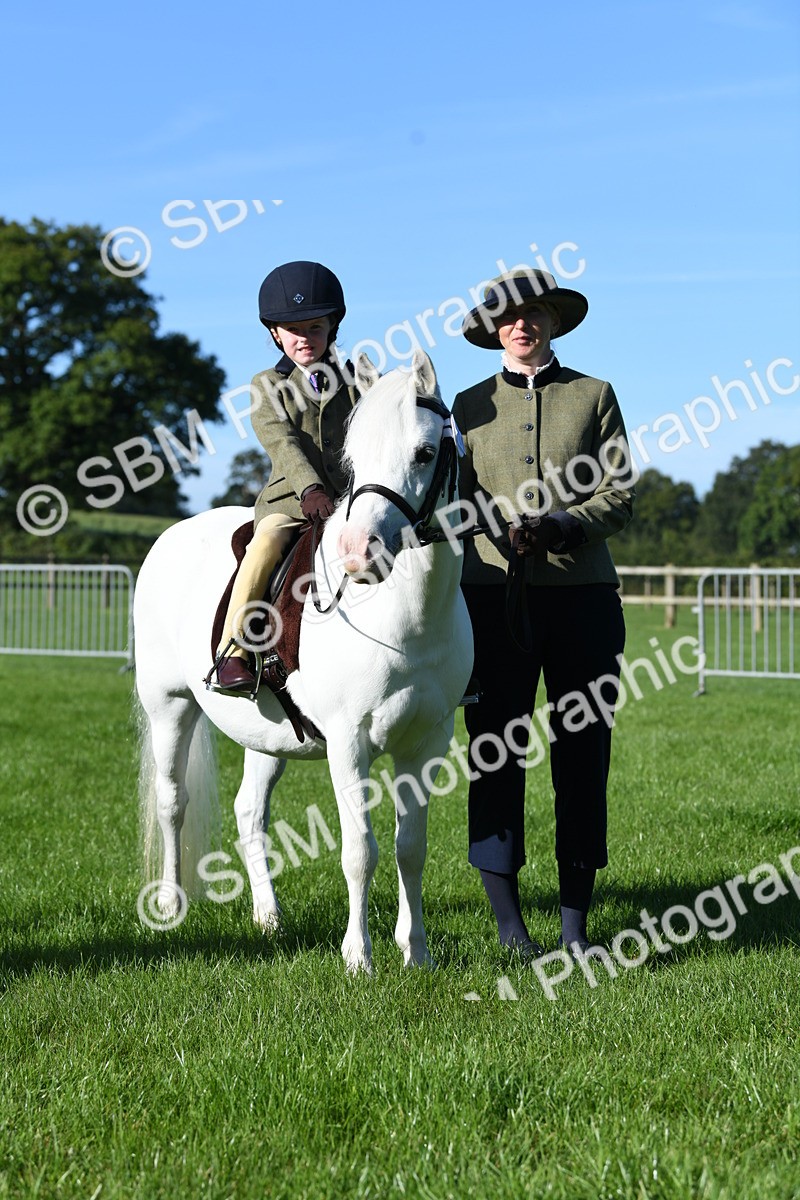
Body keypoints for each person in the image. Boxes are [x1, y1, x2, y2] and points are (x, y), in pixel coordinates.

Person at [452, 267, 635, 957]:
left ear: (553, 321)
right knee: (495, 753)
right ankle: (510, 926)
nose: (521, 325)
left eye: (533, 314)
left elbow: (619, 492)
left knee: (583, 756)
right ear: (494, 330)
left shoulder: (595, 395)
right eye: (507, 316)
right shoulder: (467, 405)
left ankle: (575, 926)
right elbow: (454, 495)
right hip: (490, 599)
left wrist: (562, 525)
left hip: (583, 601)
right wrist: (494, 530)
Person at [213, 260, 359, 692]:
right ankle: (233, 651)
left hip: (352, 500)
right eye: (293, 330)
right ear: (276, 334)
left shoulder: (357, 381)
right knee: (265, 544)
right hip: (291, 503)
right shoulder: (267, 384)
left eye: (314, 328)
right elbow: (282, 442)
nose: (304, 338)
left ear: (332, 327)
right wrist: (310, 487)